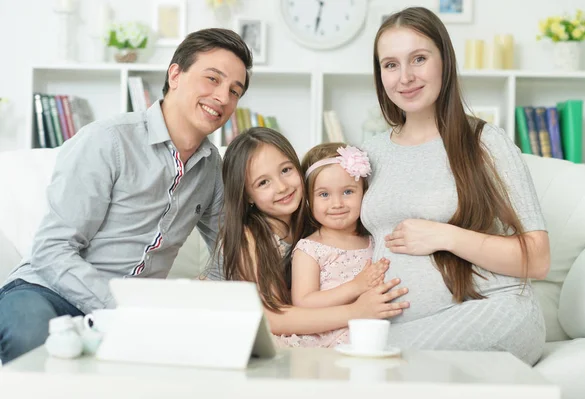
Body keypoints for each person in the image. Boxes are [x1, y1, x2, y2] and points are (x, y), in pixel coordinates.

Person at [0, 28, 253, 364]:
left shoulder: (211, 170)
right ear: (175, 74)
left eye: (234, 91)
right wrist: (125, 308)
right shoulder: (108, 141)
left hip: (137, 315)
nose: (222, 97)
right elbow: (52, 250)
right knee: (32, 337)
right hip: (48, 293)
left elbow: (229, 247)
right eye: (212, 79)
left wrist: (200, 298)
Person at [362, 7, 550, 365]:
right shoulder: (370, 152)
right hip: (398, 325)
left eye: (418, 59)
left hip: (492, 311)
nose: (405, 77)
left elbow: (538, 258)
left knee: (376, 361)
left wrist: (445, 236)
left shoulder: (484, 141)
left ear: (444, 62)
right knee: (353, 354)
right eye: (390, 64)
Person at [210, 127, 409, 337]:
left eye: (286, 170)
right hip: (218, 324)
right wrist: (356, 311)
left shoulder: (317, 221)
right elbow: (273, 318)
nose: (281, 187)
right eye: (263, 182)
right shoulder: (250, 237)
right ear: (247, 195)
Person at [275, 143, 391, 348]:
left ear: (365, 192)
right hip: (323, 339)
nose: (337, 203)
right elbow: (303, 301)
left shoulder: (374, 241)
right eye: (324, 195)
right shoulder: (309, 248)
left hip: (367, 336)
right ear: (309, 200)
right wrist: (356, 287)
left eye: (348, 192)